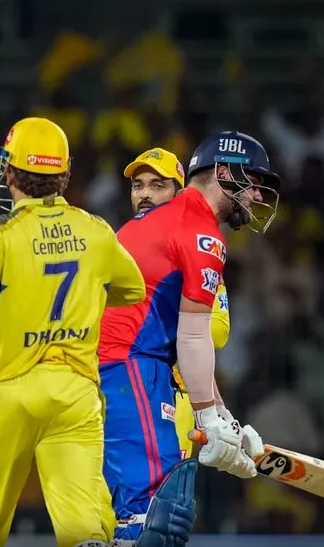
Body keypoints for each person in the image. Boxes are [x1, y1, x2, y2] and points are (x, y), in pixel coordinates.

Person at [0, 117, 147, 547]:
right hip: (74, 392)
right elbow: (133, 289)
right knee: (84, 529)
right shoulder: (96, 230)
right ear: (65, 175)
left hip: (6, 391)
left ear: (9, 172)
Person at [98, 132, 281, 547]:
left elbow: (185, 340)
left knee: (119, 521)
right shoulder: (201, 234)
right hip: (128, 367)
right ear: (223, 172)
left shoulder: (168, 220)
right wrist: (208, 417)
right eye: (251, 181)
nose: (255, 195)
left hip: (121, 368)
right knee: (153, 521)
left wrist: (223, 417)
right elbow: (194, 333)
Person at [122, 147, 232, 461]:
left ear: (179, 195)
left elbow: (215, 332)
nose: (145, 194)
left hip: (175, 393)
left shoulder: (198, 250)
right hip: (122, 384)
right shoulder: (120, 242)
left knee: (162, 495)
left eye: (158, 185)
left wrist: (219, 412)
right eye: (138, 185)